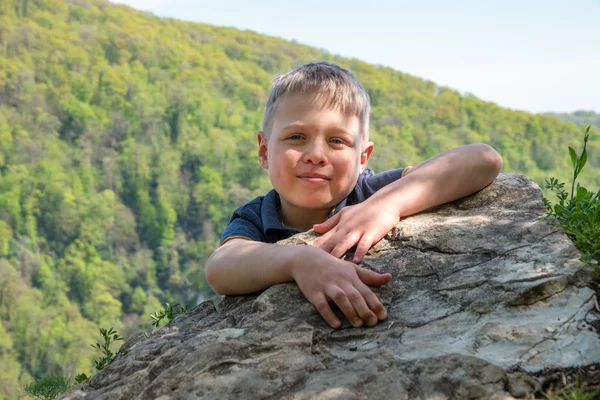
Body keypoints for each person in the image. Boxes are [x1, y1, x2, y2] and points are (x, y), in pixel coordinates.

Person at [205, 61, 503, 329]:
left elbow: (483, 159)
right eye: (296, 137)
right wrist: (299, 260)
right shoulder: (257, 216)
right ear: (264, 150)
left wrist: (387, 205)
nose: (316, 155)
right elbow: (220, 268)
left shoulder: (372, 192)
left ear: (363, 157)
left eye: (337, 141)